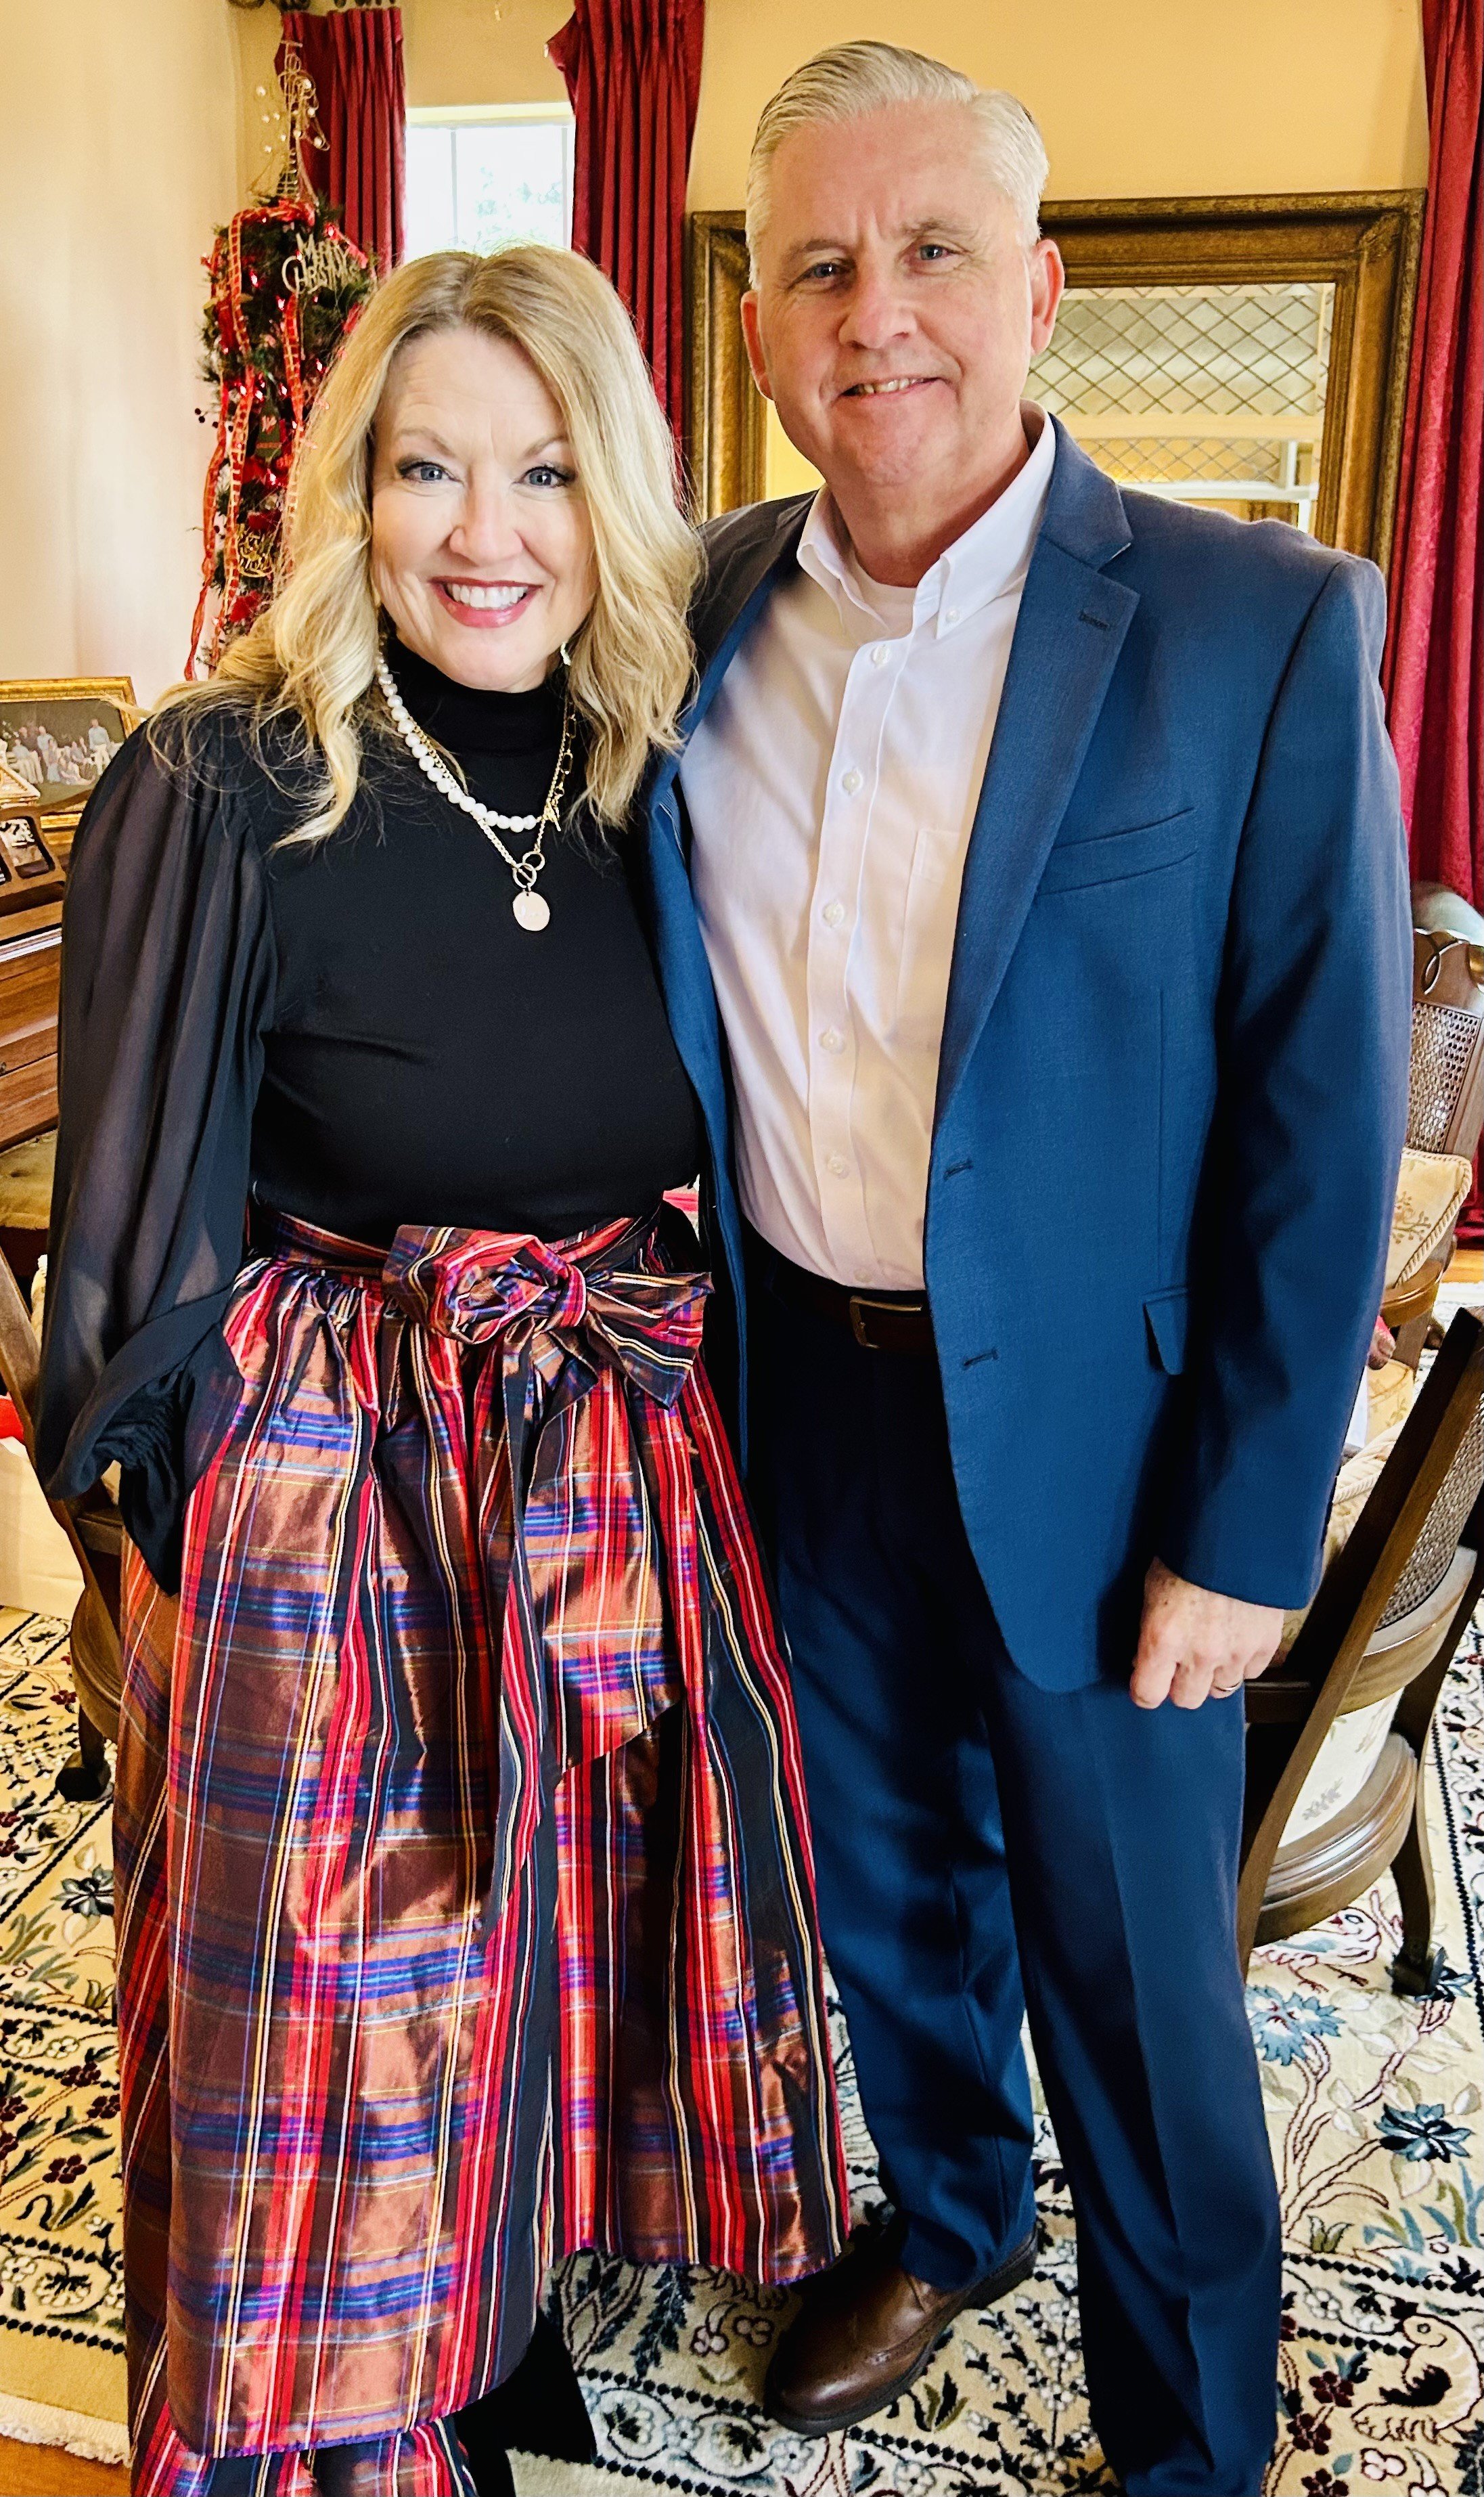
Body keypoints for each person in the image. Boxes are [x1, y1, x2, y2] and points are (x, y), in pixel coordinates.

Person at [644, 42, 1412, 2497]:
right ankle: (951, 2214)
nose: (875, 312)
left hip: (1110, 1444)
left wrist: (1249, 1526)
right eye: (819, 266)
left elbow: (1321, 1116)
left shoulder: (1253, 623)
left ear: (1040, 289)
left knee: (1142, 1994)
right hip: (799, 1406)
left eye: (932, 251)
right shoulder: (681, 621)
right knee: (885, 1896)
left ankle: (1188, 2442)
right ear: (754, 327)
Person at [36, 245, 846, 2497]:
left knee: (552, 1941)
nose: (485, 533)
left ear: (620, 500)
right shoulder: (226, 779)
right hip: (337, 1471)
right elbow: (127, 1228)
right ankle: (333, 2404)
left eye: (545, 472)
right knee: (340, 1989)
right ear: (351, 492)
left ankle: (491, 2321)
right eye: (427, 470)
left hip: (610, 1446)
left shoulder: (657, 768)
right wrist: (178, 1540)